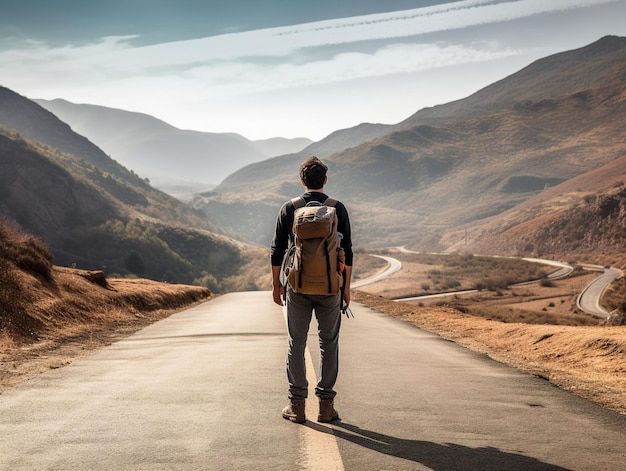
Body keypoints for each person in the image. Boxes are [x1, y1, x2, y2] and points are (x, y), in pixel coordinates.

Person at [271, 156, 353, 424]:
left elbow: (277, 250)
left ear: (302, 180)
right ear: (325, 180)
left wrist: (277, 285)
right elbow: (348, 252)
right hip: (331, 287)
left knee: (298, 342)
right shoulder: (337, 208)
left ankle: (297, 405)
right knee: (329, 343)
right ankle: (326, 407)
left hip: (297, 286)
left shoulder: (290, 208)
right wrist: (346, 290)